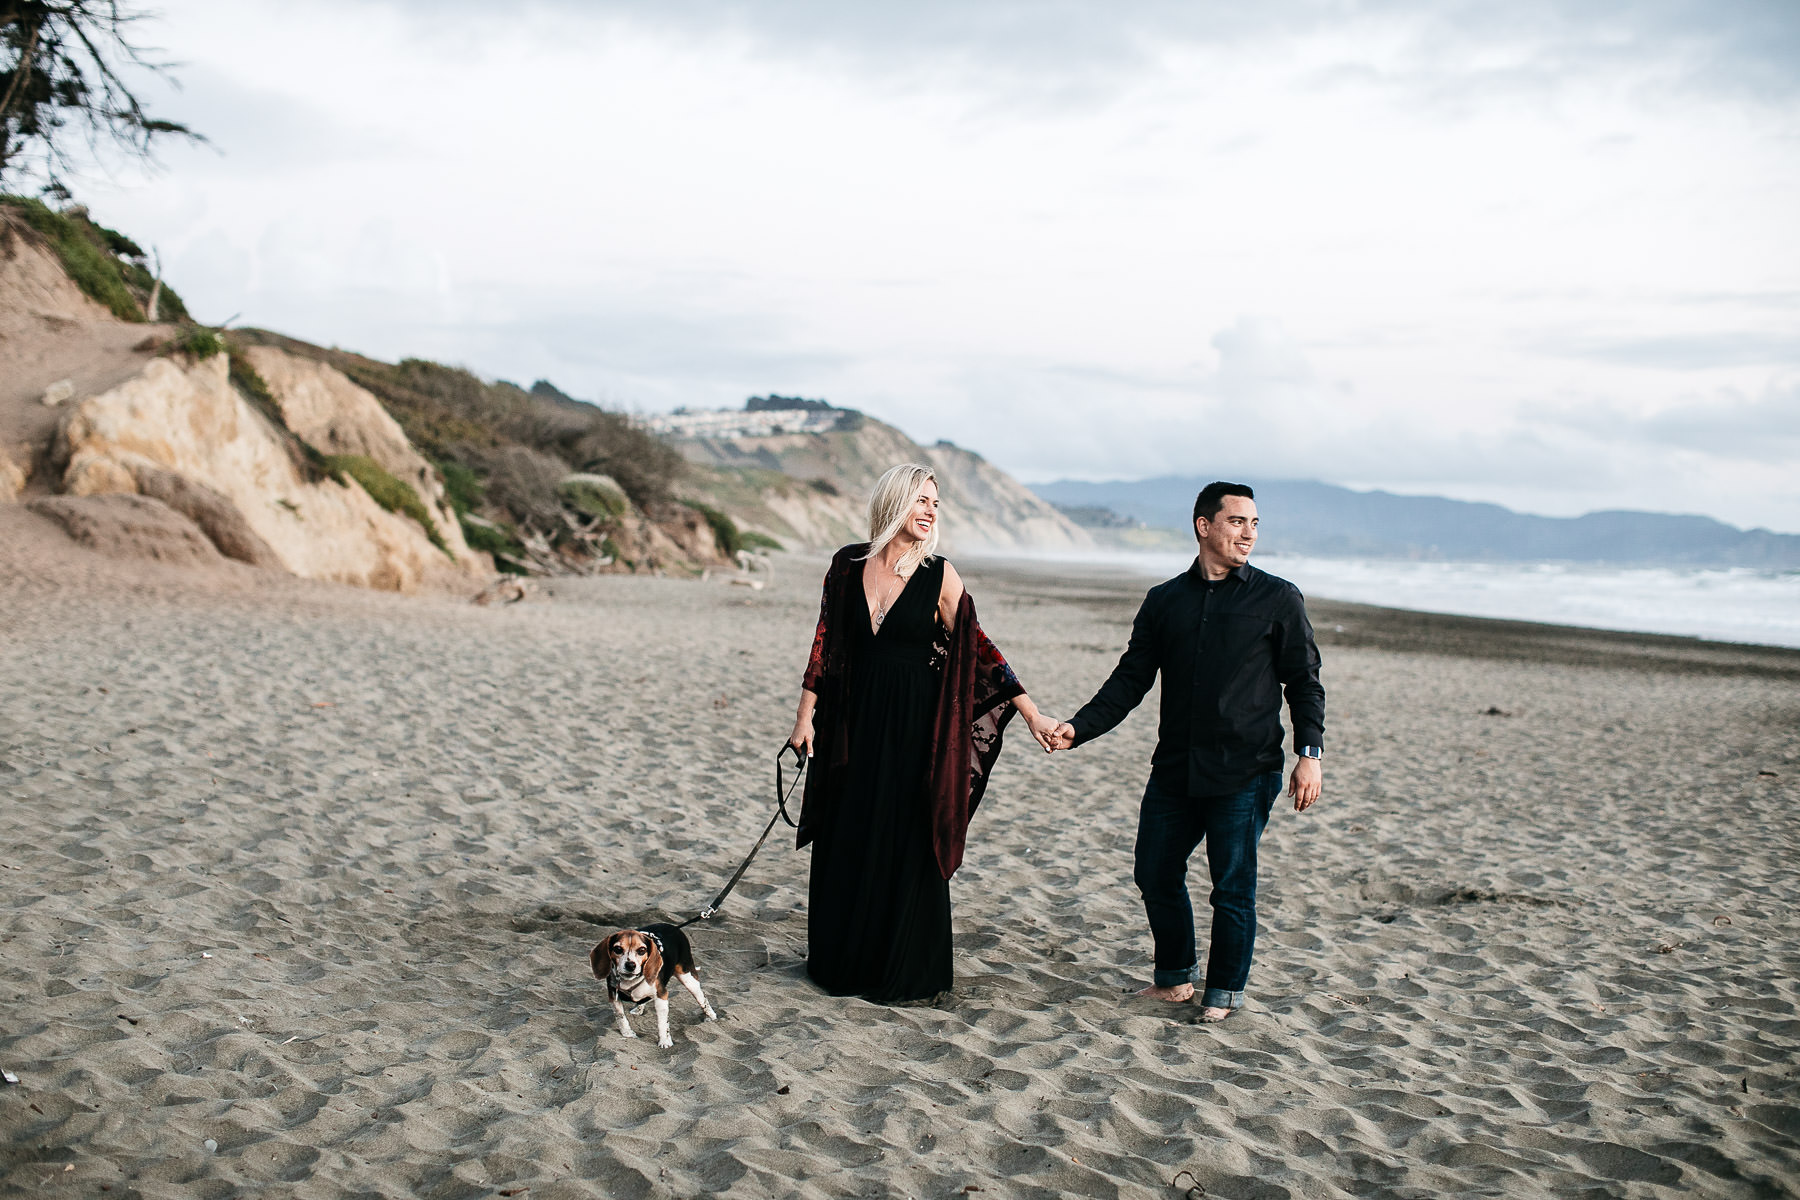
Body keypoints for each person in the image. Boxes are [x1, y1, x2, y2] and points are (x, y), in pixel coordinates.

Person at [1049, 481, 1324, 1023]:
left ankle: (1223, 992)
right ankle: (1175, 978)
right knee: (1154, 871)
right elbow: (1129, 681)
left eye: (1254, 523)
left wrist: (1309, 752)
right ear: (1204, 526)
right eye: (1237, 522)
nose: (1248, 533)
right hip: (1176, 767)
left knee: (1232, 886)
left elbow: (1305, 681)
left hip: (1247, 770)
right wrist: (1077, 728)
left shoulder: (1278, 597)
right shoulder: (1165, 601)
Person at [788, 463, 1061, 1004]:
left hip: (916, 727)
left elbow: (981, 649)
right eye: (920, 499)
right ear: (894, 502)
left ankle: (904, 968)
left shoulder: (940, 573)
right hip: (851, 723)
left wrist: (1032, 715)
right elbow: (825, 644)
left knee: (906, 836)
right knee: (849, 831)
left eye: (936, 502)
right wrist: (803, 718)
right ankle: (841, 962)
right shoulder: (846, 565)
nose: (931, 510)